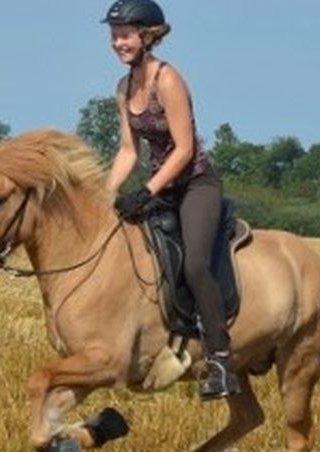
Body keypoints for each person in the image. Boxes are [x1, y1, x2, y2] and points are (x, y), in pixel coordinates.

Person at [102, 0, 239, 400]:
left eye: (125, 36)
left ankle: (220, 361)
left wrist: (146, 191)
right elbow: (128, 151)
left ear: (148, 37)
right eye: (114, 36)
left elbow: (183, 149)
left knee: (195, 264)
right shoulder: (123, 88)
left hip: (196, 185)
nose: (118, 43)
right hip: (162, 187)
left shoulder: (168, 80)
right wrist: (104, 195)